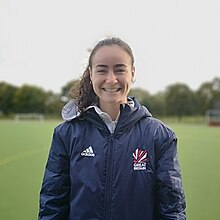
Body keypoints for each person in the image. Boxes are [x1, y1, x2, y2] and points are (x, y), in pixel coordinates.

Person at [38, 36, 186, 220]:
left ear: (132, 73)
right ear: (91, 74)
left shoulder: (160, 136)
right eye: (102, 70)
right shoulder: (66, 134)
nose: (111, 79)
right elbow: (53, 204)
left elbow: (171, 209)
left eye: (119, 69)